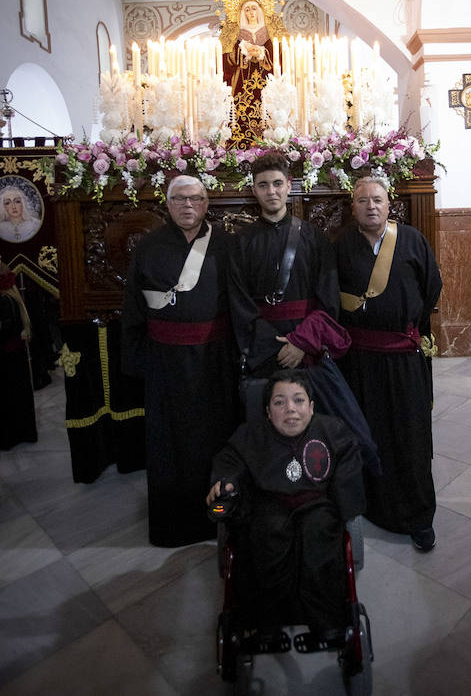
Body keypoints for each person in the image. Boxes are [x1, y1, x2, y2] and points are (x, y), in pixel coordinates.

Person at [121, 174, 238, 547]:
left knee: (216, 440)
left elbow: (239, 304)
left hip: (215, 360)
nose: (188, 206)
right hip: (165, 364)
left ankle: (218, 518)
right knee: (168, 444)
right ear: (167, 205)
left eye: (196, 199)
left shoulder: (226, 245)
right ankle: (174, 526)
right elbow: (134, 309)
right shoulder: (149, 247)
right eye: (179, 199)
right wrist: (139, 363)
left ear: (206, 204)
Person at [207, 369, 365, 641]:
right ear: (268, 411)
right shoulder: (250, 436)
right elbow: (230, 463)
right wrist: (226, 484)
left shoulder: (333, 431)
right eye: (279, 402)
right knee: (265, 536)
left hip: (317, 505)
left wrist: (344, 502)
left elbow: (349, 465)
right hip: (269, 505)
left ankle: (325, 620)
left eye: (298, 400)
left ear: (312, 407)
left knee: (319, 536)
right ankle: (265, 623)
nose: (290, 409)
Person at [336, 176, 442, 550]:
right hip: (360, 361)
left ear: (389, 203)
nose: (371, 206)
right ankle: (373, 504)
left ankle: (418, 515)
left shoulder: (412, 240)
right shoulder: (341, 244)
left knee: (410, 435)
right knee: (367, 431)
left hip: (402, 357)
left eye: (377, 199)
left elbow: (431, 287)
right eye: (362, 200)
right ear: (353, 207)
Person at [228, 152, 342, 379]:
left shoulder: (314, 238)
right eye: (263, 185)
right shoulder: (240, 242)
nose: (271, 192)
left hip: (307, 349)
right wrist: (275, 346)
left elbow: (329, 299)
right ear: (254, 190)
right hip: (263, 353)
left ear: (289, 186)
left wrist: (301, 343)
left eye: (277, 183)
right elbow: (239, 303)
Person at [219, 0, 288, 148]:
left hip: (266, 81)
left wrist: (263, 53)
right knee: (241, 115)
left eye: (254, 9)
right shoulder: (235, 33)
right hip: (242, 83)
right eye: (247, 9)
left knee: (269, 112)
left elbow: (279, 59)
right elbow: (226, 62)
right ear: (242, 12)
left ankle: (270, 143)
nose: (251, 13)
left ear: (260, 10)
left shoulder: (270, 32)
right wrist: (243, 53)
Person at [0, 262, 37, 449]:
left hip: (8, 357)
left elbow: (5, 329)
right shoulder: (12, 297)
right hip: (15, 355)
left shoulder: (5, 300)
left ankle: (12, 436)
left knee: (10, 399)